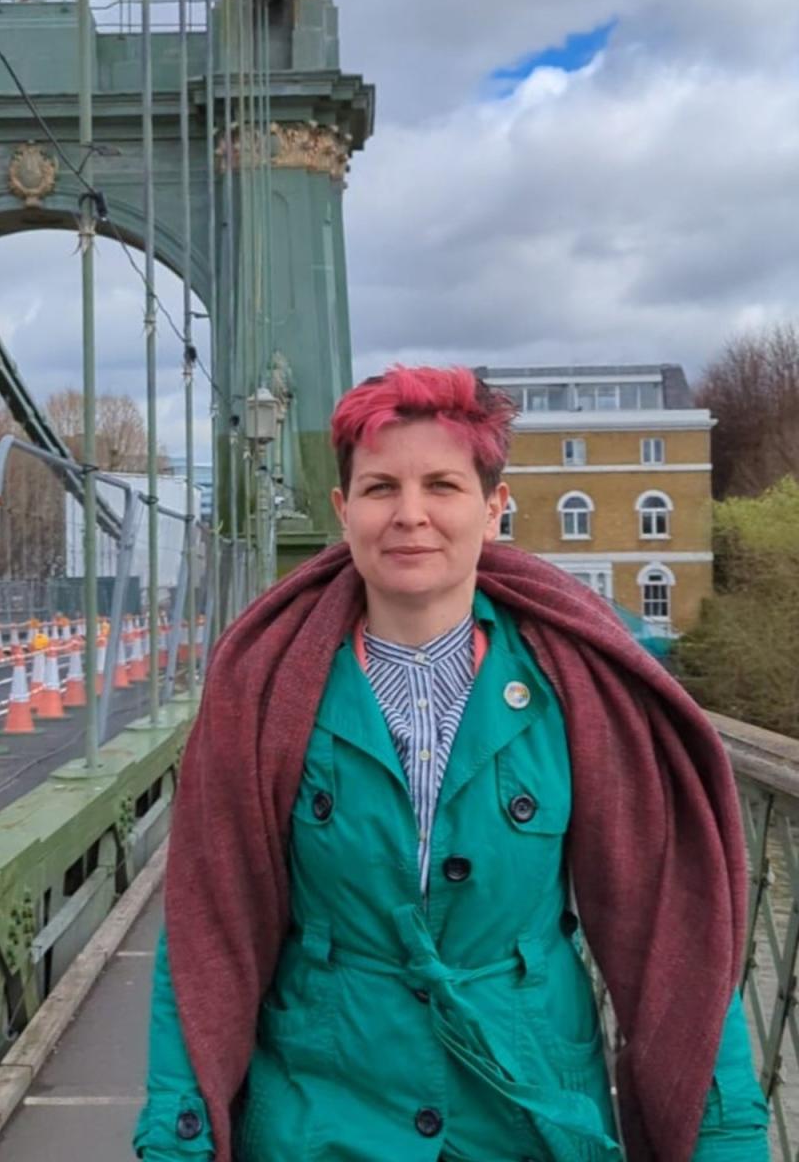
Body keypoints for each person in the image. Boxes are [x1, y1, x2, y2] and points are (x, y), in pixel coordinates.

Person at [134, 366, 769, 1161]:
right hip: (324, 1117)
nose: (410, 515)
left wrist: (727, 1141)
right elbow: (207, 932)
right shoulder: (264, 688)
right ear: (343, 511)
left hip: (528, 1113)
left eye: (442, 484)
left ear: (494, 508)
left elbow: (671, 930)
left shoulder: (581, 686)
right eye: (378, 489)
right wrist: (177, 1141)